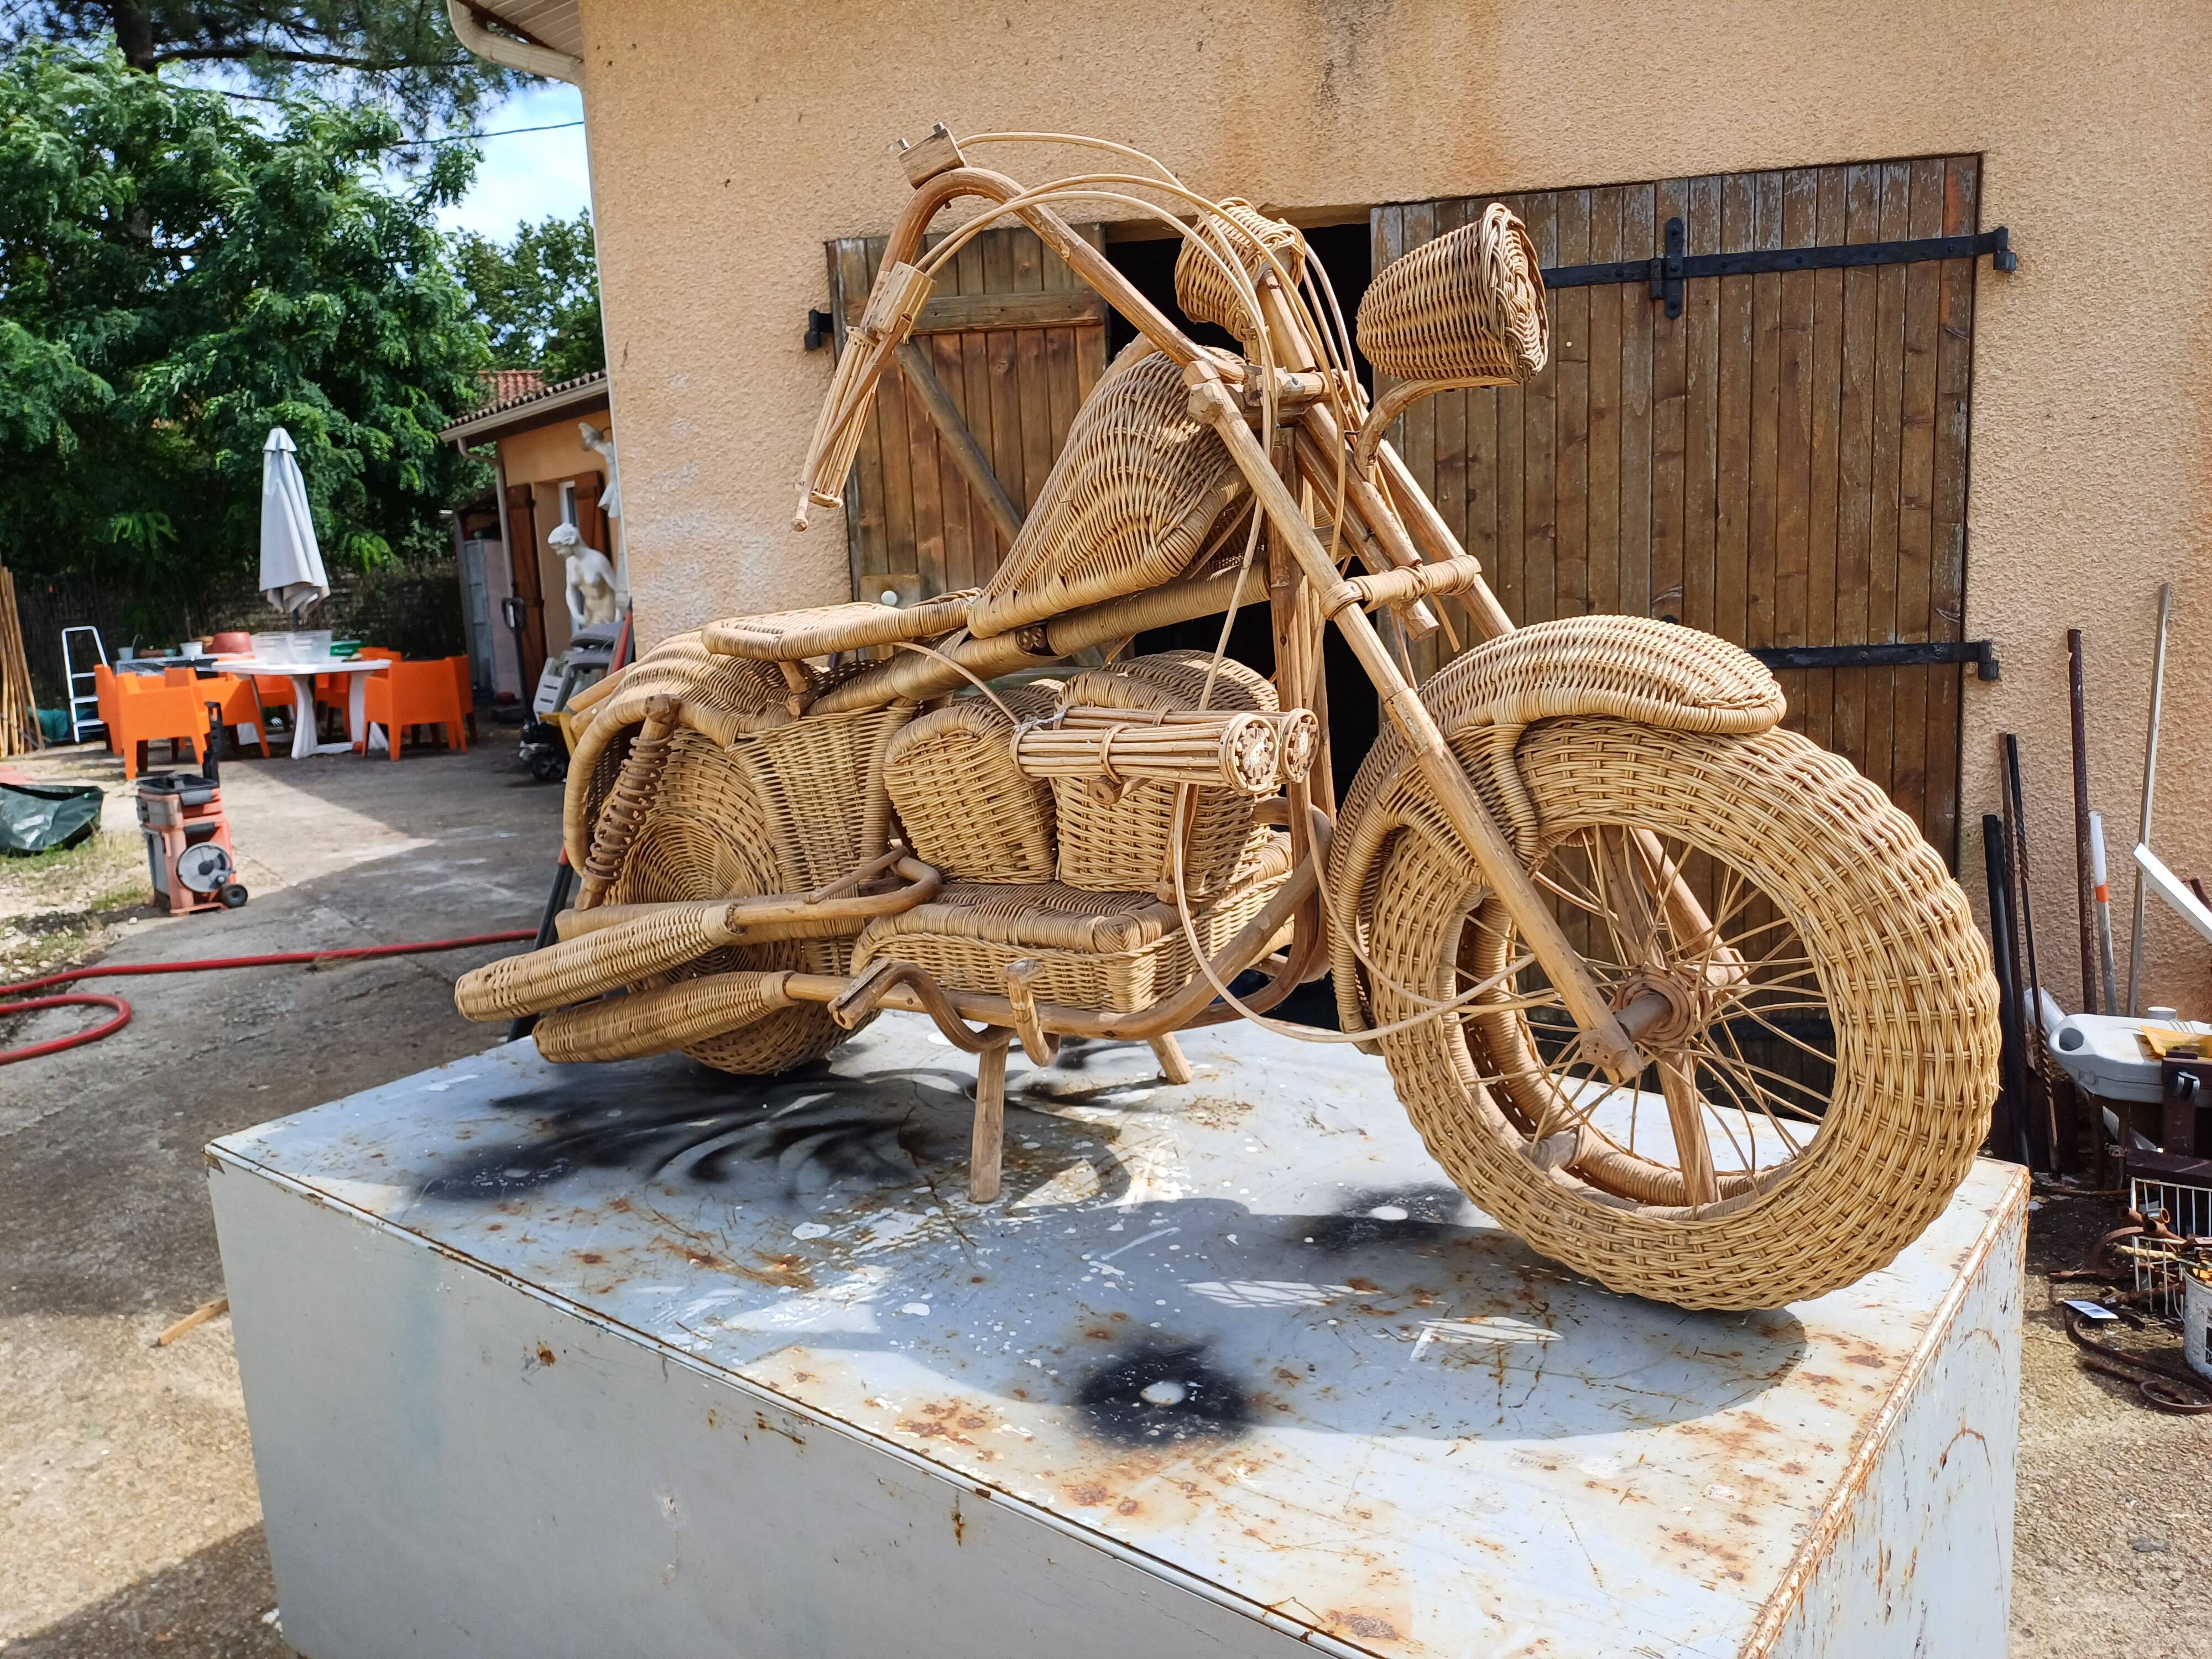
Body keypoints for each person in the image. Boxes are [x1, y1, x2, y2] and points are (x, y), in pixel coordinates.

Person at [547, 521, 618, 632]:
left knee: (603, 642)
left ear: (568, 543)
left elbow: (618, 590)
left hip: (607, 608)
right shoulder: (570, 563)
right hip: (589, 610)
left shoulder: (598, 560)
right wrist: (575, 614)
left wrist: (618, 622)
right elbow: (570, 591)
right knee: (591, 642)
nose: (558, 553)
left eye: (559, 548)